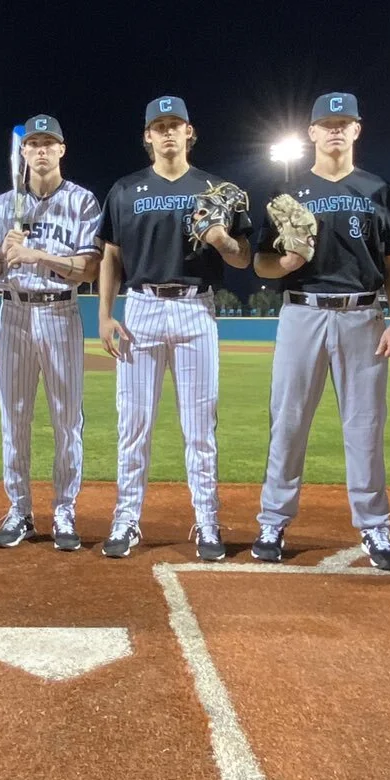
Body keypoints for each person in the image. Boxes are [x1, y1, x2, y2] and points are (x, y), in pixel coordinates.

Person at [251, 91, 390, 566]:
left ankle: (375, 528)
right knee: (288, 421)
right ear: (312, 133)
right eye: (327, 123)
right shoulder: (288, 194)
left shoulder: (377, 189)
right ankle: (272, 522)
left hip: (363, 316)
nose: (336, 129)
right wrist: (286, 261)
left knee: (365, 426)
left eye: (344, 122)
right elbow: (260, 265)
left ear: (357, 129)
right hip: (302, 310)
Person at [96, 95, 253, 560]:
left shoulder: (215, 189)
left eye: (175, 125)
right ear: (147, 136)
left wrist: (223, 240)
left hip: (195, 309)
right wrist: (105, 315)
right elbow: (110, 256)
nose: (167, 132)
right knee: (134, 425)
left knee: (200, 427)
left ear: (190, 132)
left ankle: (207, 522)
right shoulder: (125, 190)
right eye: (158, 126)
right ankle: (126, 519)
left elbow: (244, 257)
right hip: (141, 308)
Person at [0, 115, 102, 551]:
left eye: (49, 142)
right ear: (24, 153)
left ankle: (65, 510)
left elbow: (88, 268)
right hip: (12, 314)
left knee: (67, 420)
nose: (42, 150)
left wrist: (37, 253)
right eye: (33, 144)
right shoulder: (3, 205)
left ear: (62, 150)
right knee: (14, 418)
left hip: (60, 312)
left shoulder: (84, 203)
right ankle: (19, 510)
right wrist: (0, 253)